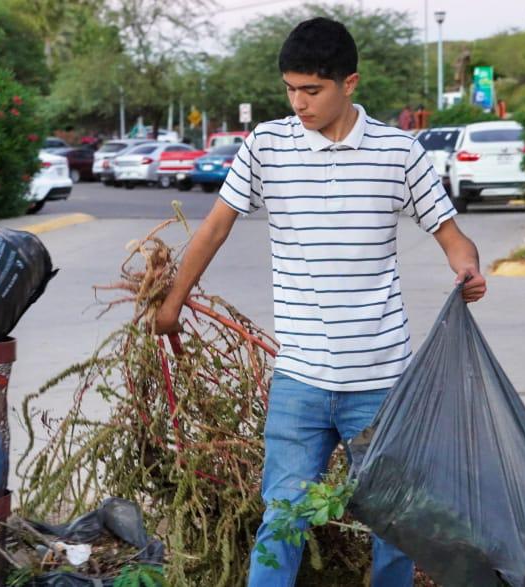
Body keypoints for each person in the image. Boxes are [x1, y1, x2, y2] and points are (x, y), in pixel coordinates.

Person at [153, 16, 486, 586]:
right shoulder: (267, 146)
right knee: (281, 518)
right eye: (290, 89)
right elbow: (213, 230)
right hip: (301, 380)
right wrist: (172, 303)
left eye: (312, 90)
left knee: (393, 522)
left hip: (381, 381)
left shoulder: (398, 152)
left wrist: (467, 269)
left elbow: (453, 238)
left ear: (349, 84)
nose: (298, 103)